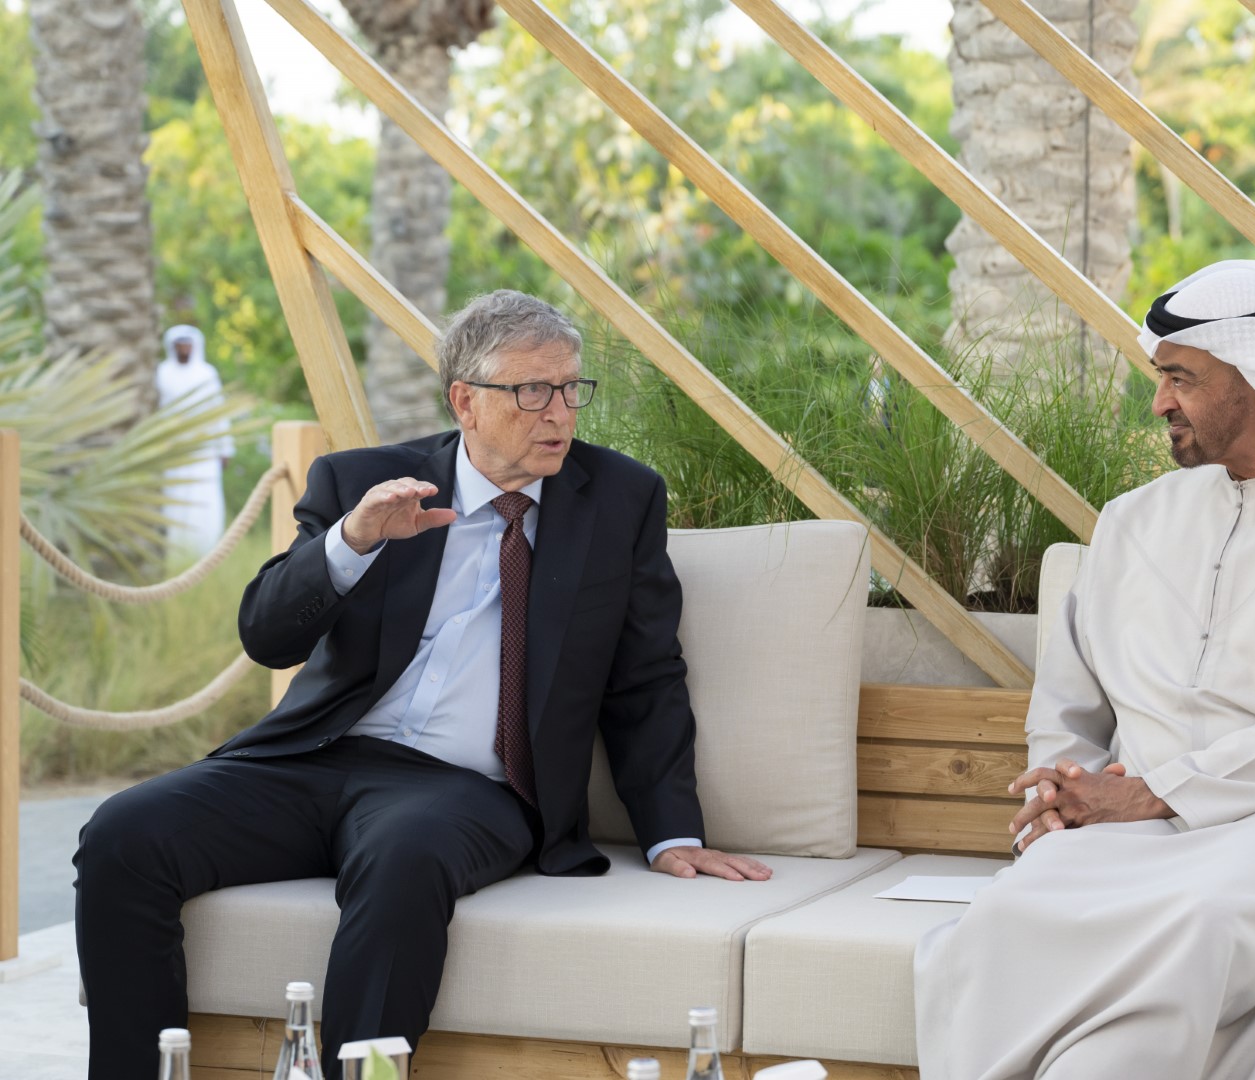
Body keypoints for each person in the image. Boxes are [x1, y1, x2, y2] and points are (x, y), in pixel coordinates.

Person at [76, 291, 772, 1080]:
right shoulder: (365, 485)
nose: (560, 413)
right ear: (464, 401)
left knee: (405, 858)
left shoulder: (618, 498)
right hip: (317, 760)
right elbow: (268, 638)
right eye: (531, 391)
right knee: (124, 833)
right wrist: (350, 544)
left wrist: (672, 832)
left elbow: (644, 675)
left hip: (468, 789)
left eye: (572, 388)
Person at [913, 261, 1255, 1080]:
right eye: (1159, 376)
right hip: (1138, 822)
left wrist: (1151, 791)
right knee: (1006, 916)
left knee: (1200, 916)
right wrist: (1065, 791)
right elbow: (1070, 703)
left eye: (1180, 378)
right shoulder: (1133, 522)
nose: (1159, 402)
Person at [155, 325, 235, 555]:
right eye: (180, 344)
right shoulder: (162, 372)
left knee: (204, 497)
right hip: (173, 448)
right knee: (174, 497)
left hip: (204, 449)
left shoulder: (206, 374)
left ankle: (206, 548)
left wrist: (225, 448)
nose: (184, 348)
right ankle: (175, 550)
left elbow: (218, 412)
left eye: (187, 344)